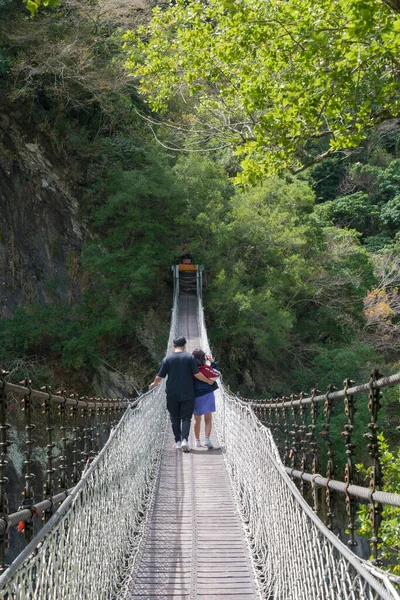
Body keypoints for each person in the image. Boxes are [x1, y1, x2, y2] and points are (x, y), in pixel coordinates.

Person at [150, 336, 214, 452]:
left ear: (173, 346)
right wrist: (208, 381)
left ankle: (178, 442)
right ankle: (185, 440)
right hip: (187, 393)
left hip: (172, 393)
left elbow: (160, 376)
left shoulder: (167, 359)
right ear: (184, 345)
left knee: (174, 418)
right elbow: (197, 374)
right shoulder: (190, 358)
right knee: (186, 418)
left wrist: (154, 383)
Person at [191, 349, 220, 450]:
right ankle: (207, 439)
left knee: (196, 419)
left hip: (195, 396)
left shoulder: (190, 369)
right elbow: (216, 374)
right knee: (208, 418)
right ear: (204, 358)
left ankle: (197, 441)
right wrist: (212, 363)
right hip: (207, 394)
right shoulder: (205, 368)